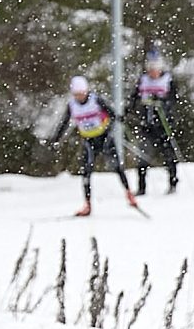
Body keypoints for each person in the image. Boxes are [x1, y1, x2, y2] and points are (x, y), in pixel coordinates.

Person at [50, 76, 138, 216]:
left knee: (117, 167)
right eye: (77, 93)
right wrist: (56, 139)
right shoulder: (72, 105)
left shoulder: (95, 99)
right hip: (88, 141)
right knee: (86, 172)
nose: (80, 96)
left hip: (104, 137)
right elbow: (64, 123)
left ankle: (129, 195)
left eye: (81, 92)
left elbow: (110, 112)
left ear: (86, 90)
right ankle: (87, 204)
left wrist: (119, 118)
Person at [133, 49, 181, 196]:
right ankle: (142, 187)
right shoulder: (143, 80)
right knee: (143, 156)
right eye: (150, 69)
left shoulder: (168, 79)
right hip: (147, 125)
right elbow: (134, 98)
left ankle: (172, 183)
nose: (152, 72)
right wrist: (125, 112)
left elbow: (174, 99)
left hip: (164, 124)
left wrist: (162, 101)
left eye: (155, 69)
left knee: (168, 155)